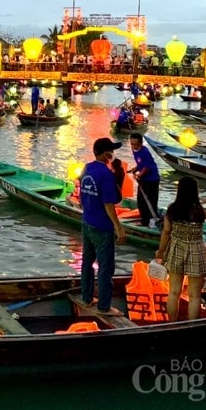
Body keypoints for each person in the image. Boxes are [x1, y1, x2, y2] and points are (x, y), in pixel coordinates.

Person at [155, 176, 206, 321]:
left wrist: (160, 252)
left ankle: (171, 324)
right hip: (196, 250)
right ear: (195, 192)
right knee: (194, 295)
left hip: (176, 248)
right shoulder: (200, 210)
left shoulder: (172, 209)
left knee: (173, 292)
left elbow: (166, 232)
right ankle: (192, 326)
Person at [79, 137, 127, 316]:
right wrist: (119, 227)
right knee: (106, 268)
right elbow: (109, 204)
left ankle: (87, 297)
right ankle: (104, 307)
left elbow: (83, 196)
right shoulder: (105, 174)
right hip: (101, 226)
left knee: (87, 262)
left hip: (87, 221)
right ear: (105, 153)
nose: (113, 154)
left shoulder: (87, 168)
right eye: (111, 151)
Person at [129, 133, 160, 228]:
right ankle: (145, 219)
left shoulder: (145, 152)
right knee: (141, 200)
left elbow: (147, 168)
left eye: (135, 144)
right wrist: (135, 169)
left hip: (152, 179)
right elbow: (140, 163)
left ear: (141, 143)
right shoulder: (134, 150)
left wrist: (139, 175)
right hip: (144, 178)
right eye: (131, 143)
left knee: (150, 201)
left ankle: (151, 221)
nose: (133, 146)